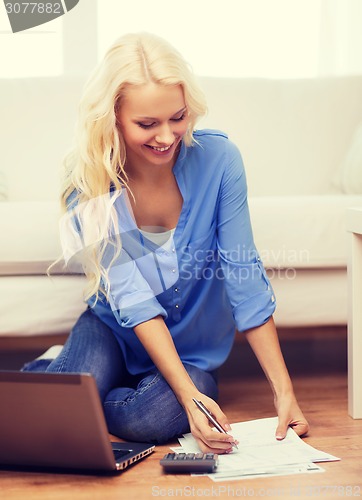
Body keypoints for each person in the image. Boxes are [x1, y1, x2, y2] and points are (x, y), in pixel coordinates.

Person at [23, 32, 309, 454]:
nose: (166, 136)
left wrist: (284, 392)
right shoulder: (86, 184)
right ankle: (67, 382)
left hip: (190, 353)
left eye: (177, 117)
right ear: (113, 118)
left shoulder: (220, 161)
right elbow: (133, 300)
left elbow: (244, 278)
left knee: (160, 414)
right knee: (51, 413)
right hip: (113, 328)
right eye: (146, 124)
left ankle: (78, 390)